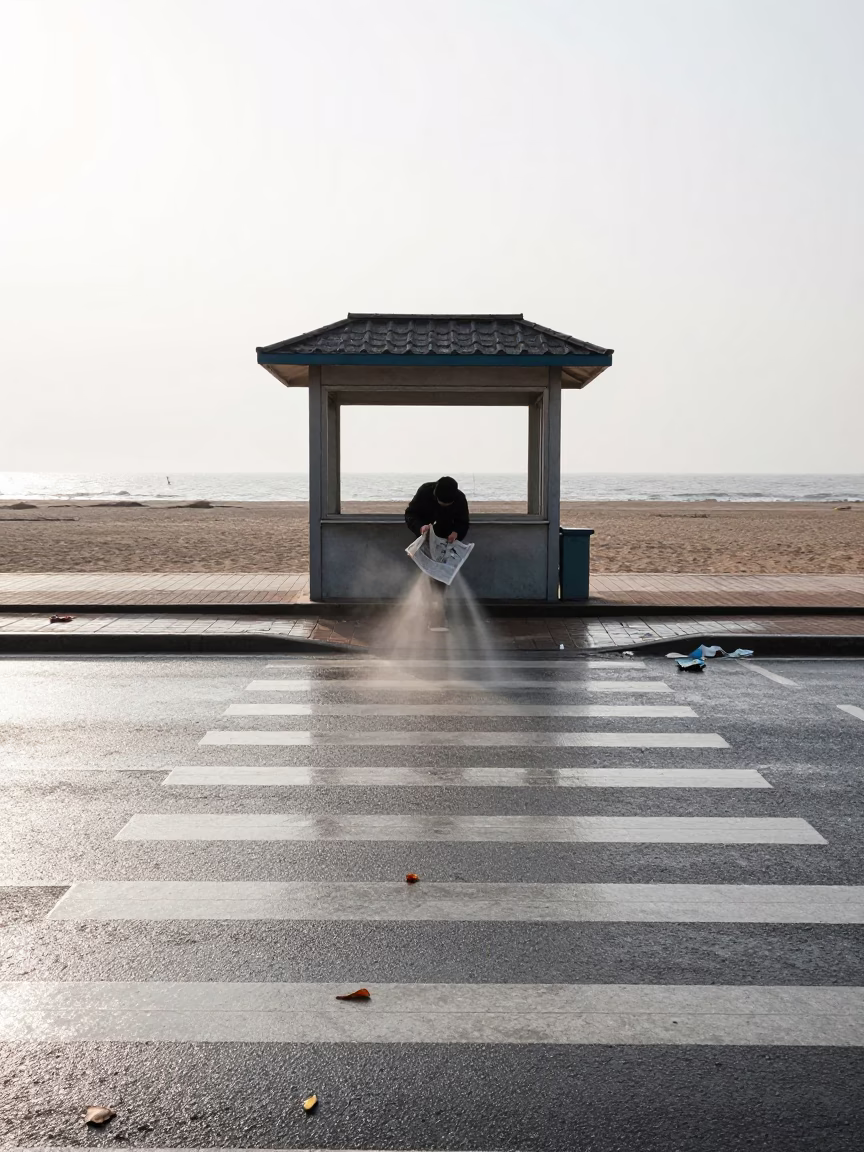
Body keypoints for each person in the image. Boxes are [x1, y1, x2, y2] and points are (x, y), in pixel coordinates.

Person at [405, 476, 470, 629]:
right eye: (441, 503)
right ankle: (427, 611)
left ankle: (438, 613)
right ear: (435, 495)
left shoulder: (460, 498)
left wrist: (457, 533)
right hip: (425, 539)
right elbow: (410, 514)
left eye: (448, 504)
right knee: (425, 576)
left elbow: (463, 522)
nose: (444, 506)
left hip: (446, 542)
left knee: (440, 578)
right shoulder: (424, 492)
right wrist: (420, 527)